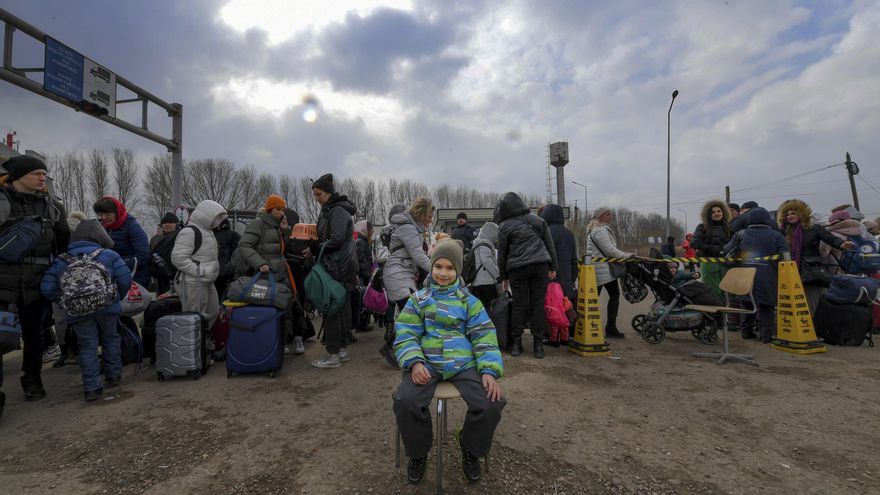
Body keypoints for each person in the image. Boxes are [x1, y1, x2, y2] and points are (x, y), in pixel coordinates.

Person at [392, 240, 505, 485]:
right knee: (406, 400)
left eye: (450, 268)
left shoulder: (469, 301)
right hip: (427, 364)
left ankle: (470, 447)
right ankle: (419, 454)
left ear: (459, 271)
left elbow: (484, 335)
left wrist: (488, 370)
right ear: (431, 268)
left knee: (491, 403)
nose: (443, 273)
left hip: (463, 365)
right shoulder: (418, 300)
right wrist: (414, 362)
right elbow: (406, 333)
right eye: (438, 266)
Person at [0, 156, 70, 406]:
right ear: (18, 176)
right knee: (0, 336)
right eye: (37, 173)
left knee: (35, 333)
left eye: (44, 173)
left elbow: (63, 242)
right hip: (3, 281)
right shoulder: (2, 201)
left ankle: (32, 377)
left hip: (37, 281)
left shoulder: (52, 207)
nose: (42, 178)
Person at [40, 220, 131, 401]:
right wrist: (114, 297)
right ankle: (113, 376)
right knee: (111, 339)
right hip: (107, 308)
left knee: (87, 346)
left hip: (78, 312)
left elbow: (47, 288)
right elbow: (125, 279)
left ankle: (91, 387)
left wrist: (66, 301)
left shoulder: (62, 259)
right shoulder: (109, 255)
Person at [496, 192, 558, 358]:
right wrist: (553, 266)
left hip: (517, 269)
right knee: (538, 305)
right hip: (540, 266)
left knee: (519, 305)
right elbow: (550, 245)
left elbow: (502, 254)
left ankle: (516, 344)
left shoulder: (504, 226)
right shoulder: (539, 220)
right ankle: (538, 347)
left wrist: (503, 277)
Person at [310, 174, 358, 369]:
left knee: (332, 308)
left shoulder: (336, 211)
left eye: (318, 194)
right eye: (314, 195)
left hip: (337, 265)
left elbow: (336, 239)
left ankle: (333, 354)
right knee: (340, 306)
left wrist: (316, 247)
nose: (316, 198)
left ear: (329, 193)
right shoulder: (336, 209)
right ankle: (341, 349)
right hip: (343, 264)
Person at [723, 208, 790, 343]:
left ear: (749, 219)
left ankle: (746, 332)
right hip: (768, 275)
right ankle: (766, 336)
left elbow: (726, 250)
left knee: (747, 303)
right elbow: (786, 256)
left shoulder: (741, 234)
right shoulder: (776, 235)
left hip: (745, 274)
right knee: (767, 306)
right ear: (768, 220)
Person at [777, 199, 852, 315]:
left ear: (802, 213)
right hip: (789, 271)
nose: (790, 216)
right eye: (787, 214)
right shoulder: (783, 231)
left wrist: (841, 244)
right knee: (795, 302)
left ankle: (817, 324)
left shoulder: (813, 228)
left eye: (793, 213)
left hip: (810, 271)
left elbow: (830, 239)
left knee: (814, 301)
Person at [171, 200, 228, 328]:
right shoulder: (190, 232)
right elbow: (177, 258)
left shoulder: (208, 232)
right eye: (215, 217)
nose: (217, 221)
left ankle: (204, 343)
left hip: (206, 280)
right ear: (206, 215)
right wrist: (200, 271)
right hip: (193, 282)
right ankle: (195, 346)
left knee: (212, 313)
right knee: (195, 318)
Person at [585, 206, 634, 339]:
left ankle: (587, 326)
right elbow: (609, 250)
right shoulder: (600, 230)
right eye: (607, 214)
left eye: (610, 214)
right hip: (603, 270)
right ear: (599, 216)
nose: (610, 216)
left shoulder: (596, 229)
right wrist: (626, 256)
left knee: (594, 299)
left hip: (599, 269)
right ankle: (609, 328)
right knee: (612, 296)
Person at [93, 196, 150, 287]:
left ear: (117, 212)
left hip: (133, 278)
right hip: (109, 277)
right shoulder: (99, 227)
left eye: (108, 214)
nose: (103, 217)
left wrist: (115, 265)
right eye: (101, 214)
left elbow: (143, 256)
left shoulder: (132, 227)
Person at [692, 200, 733, 300]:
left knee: (727, 292)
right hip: (709, 263)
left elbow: (735, 244)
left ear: (723, 212)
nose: (716, 213)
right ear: (708, 214)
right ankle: (714, 315)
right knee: (712, 291)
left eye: (719, 211)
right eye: (713, 212)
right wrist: (712, 249)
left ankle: (725, 314)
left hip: (725, 263)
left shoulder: (730, 228)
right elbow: (694, 243)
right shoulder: (702, 227)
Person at [470, 222, 501, 309]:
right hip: (486, 282)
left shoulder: (477, 242)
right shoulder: (484, 243)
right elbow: (486, 261)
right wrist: (498, 275)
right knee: (493, 307)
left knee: (481, 308)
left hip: (476, 282)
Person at [212, 217, 240, 301]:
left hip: (211, 273)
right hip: (226, 275)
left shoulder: (209, 235)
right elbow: (236, 255)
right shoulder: (234, 235)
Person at [354, 220, 374, 331]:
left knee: (363, 300)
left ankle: (362, 323)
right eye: (371, 229)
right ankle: (361, 324)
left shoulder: (362, 240)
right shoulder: (361, 242)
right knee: (363, 300)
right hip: (363, 275)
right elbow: (361, 260)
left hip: (364, 274)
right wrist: (366, 273)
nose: (372, 231)